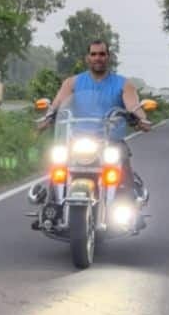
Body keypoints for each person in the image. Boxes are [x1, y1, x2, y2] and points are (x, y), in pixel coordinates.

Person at [37, 39, 152, 204]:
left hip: (110, 141)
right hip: (76, 140)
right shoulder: (72, 82)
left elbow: (133, 106)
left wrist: (142, 119)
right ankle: (52, 207)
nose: (98, 58)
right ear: (87, 58)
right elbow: (56, 105)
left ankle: (129, 208)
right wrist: (47, 117)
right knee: (58, 167)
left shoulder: (123, 84)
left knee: (123, 170)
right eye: (94, 54)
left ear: (108, 57)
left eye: (102, 54)